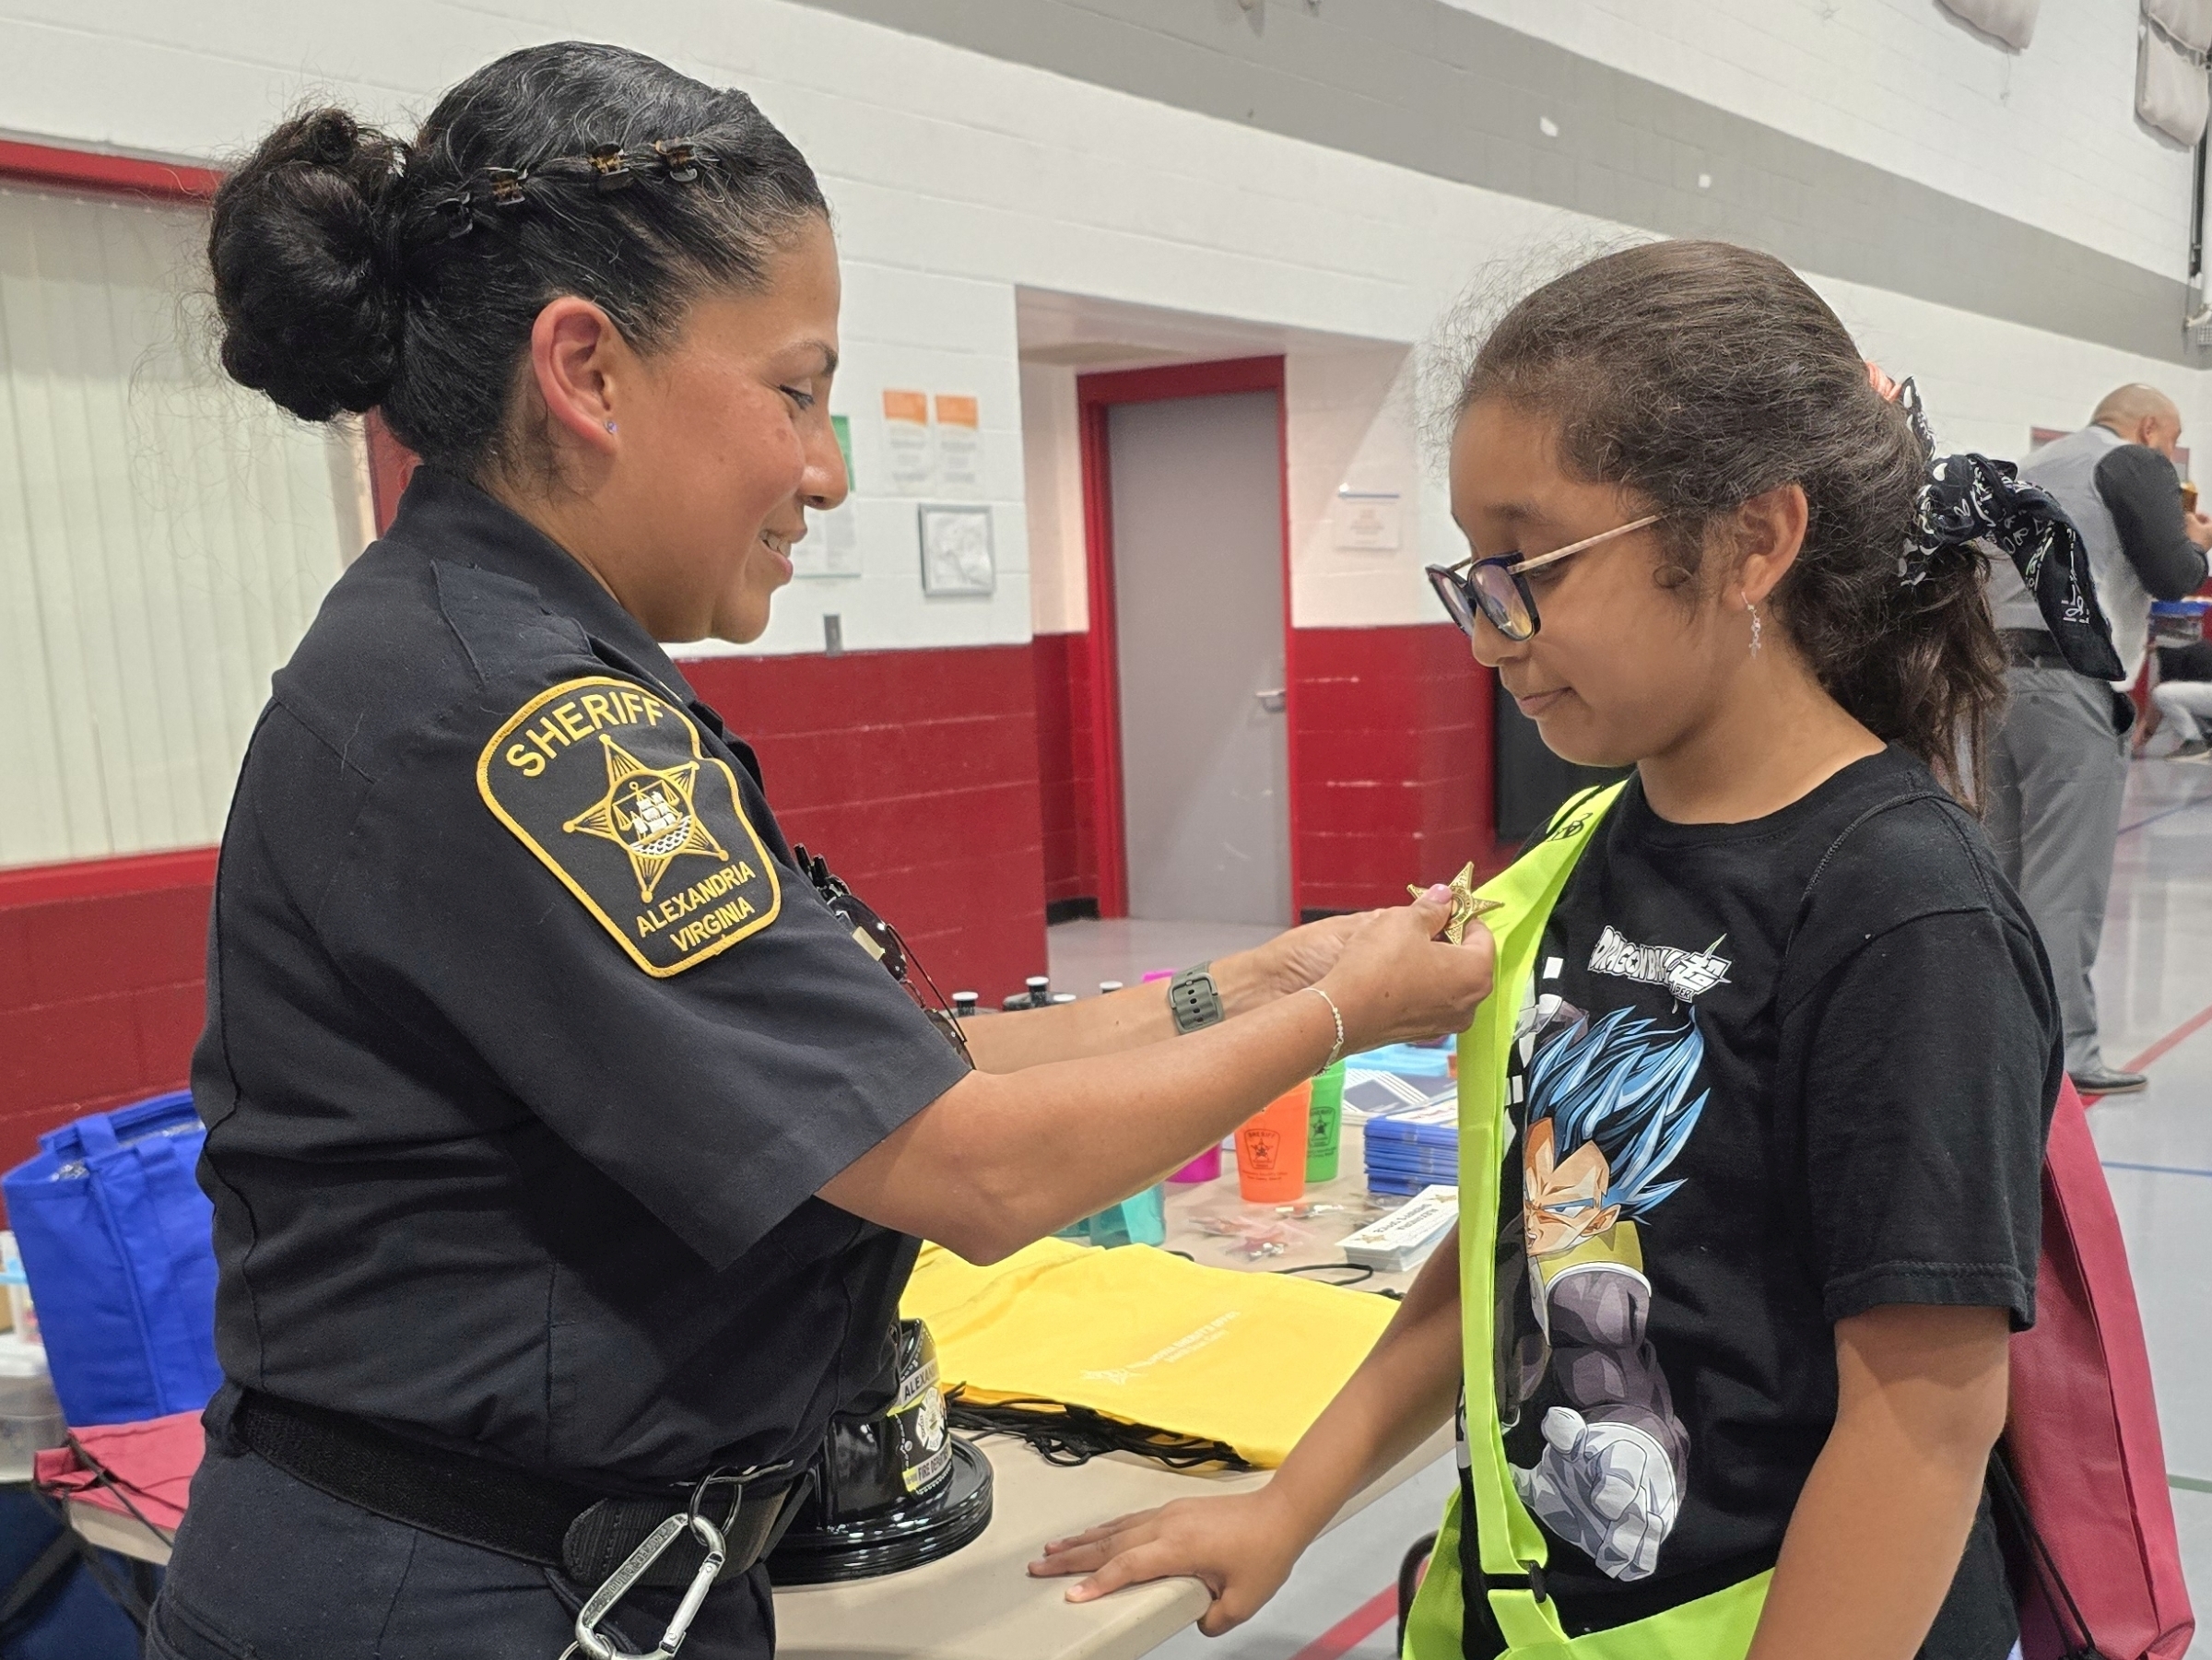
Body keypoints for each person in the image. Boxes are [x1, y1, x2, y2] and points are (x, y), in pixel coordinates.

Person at [149, 43, 1495, 1660]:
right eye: (793, 391)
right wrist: (1346, 1017)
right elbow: (976, 1170)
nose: (826, 468)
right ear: (585, 370)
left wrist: (1269, 974)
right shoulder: (521, 727)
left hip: (579, 1565)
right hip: (446, 1600)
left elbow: (918, 1076)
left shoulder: (512, 660)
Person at [1032, 241, 2065, 1660]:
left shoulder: (1901, 913)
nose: (1488, 632)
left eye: (1529, 567)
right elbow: (1510, 1246)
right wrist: (1292, 1505)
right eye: (1472, 575)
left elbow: (1927, 1423)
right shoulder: (1594, 841)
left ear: (1754, 542)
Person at [1983, 384, 2212, 1095]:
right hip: (2070, 682)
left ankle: (1991, 1040)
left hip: (1990, 681)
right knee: (2064, 883)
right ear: (2150, 427)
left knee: (1998, 875)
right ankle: (2067, 1055)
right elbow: (2172, 573)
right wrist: (2196, 543)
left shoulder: (2029, 466)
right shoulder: (2133, 463)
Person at [2150, 634, 2212, 759]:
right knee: (2186, 701)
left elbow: (2158, 702)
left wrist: (2141, 737)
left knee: (2162, 694)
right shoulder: (2193, 644)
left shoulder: (2169, 649)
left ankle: (2194, 742)